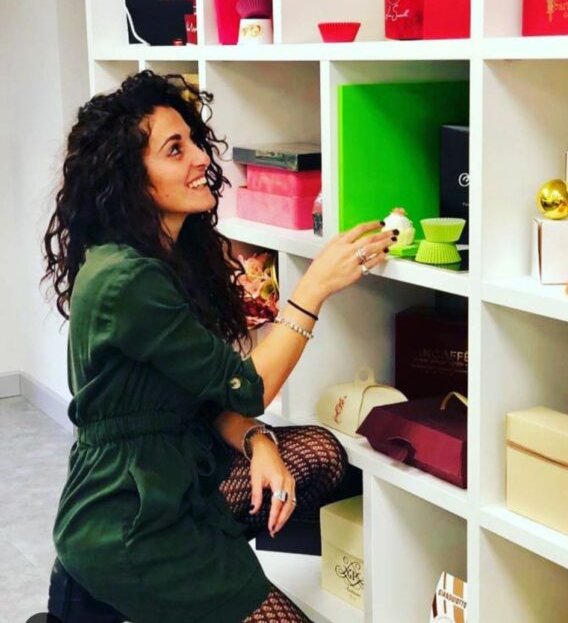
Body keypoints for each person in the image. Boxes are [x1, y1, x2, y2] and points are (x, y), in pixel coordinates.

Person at [41, 70, 397, 622]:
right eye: (174, 149)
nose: (201, 158)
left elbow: (205, 394)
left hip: (170, 478)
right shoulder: (127, 279)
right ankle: (138, 586)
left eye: (193, 141)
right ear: (131, 178)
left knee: (321, 457)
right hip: (131, 522)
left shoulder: (160, 258)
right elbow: (248, 387)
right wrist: (314, 287)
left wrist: (258, 440)